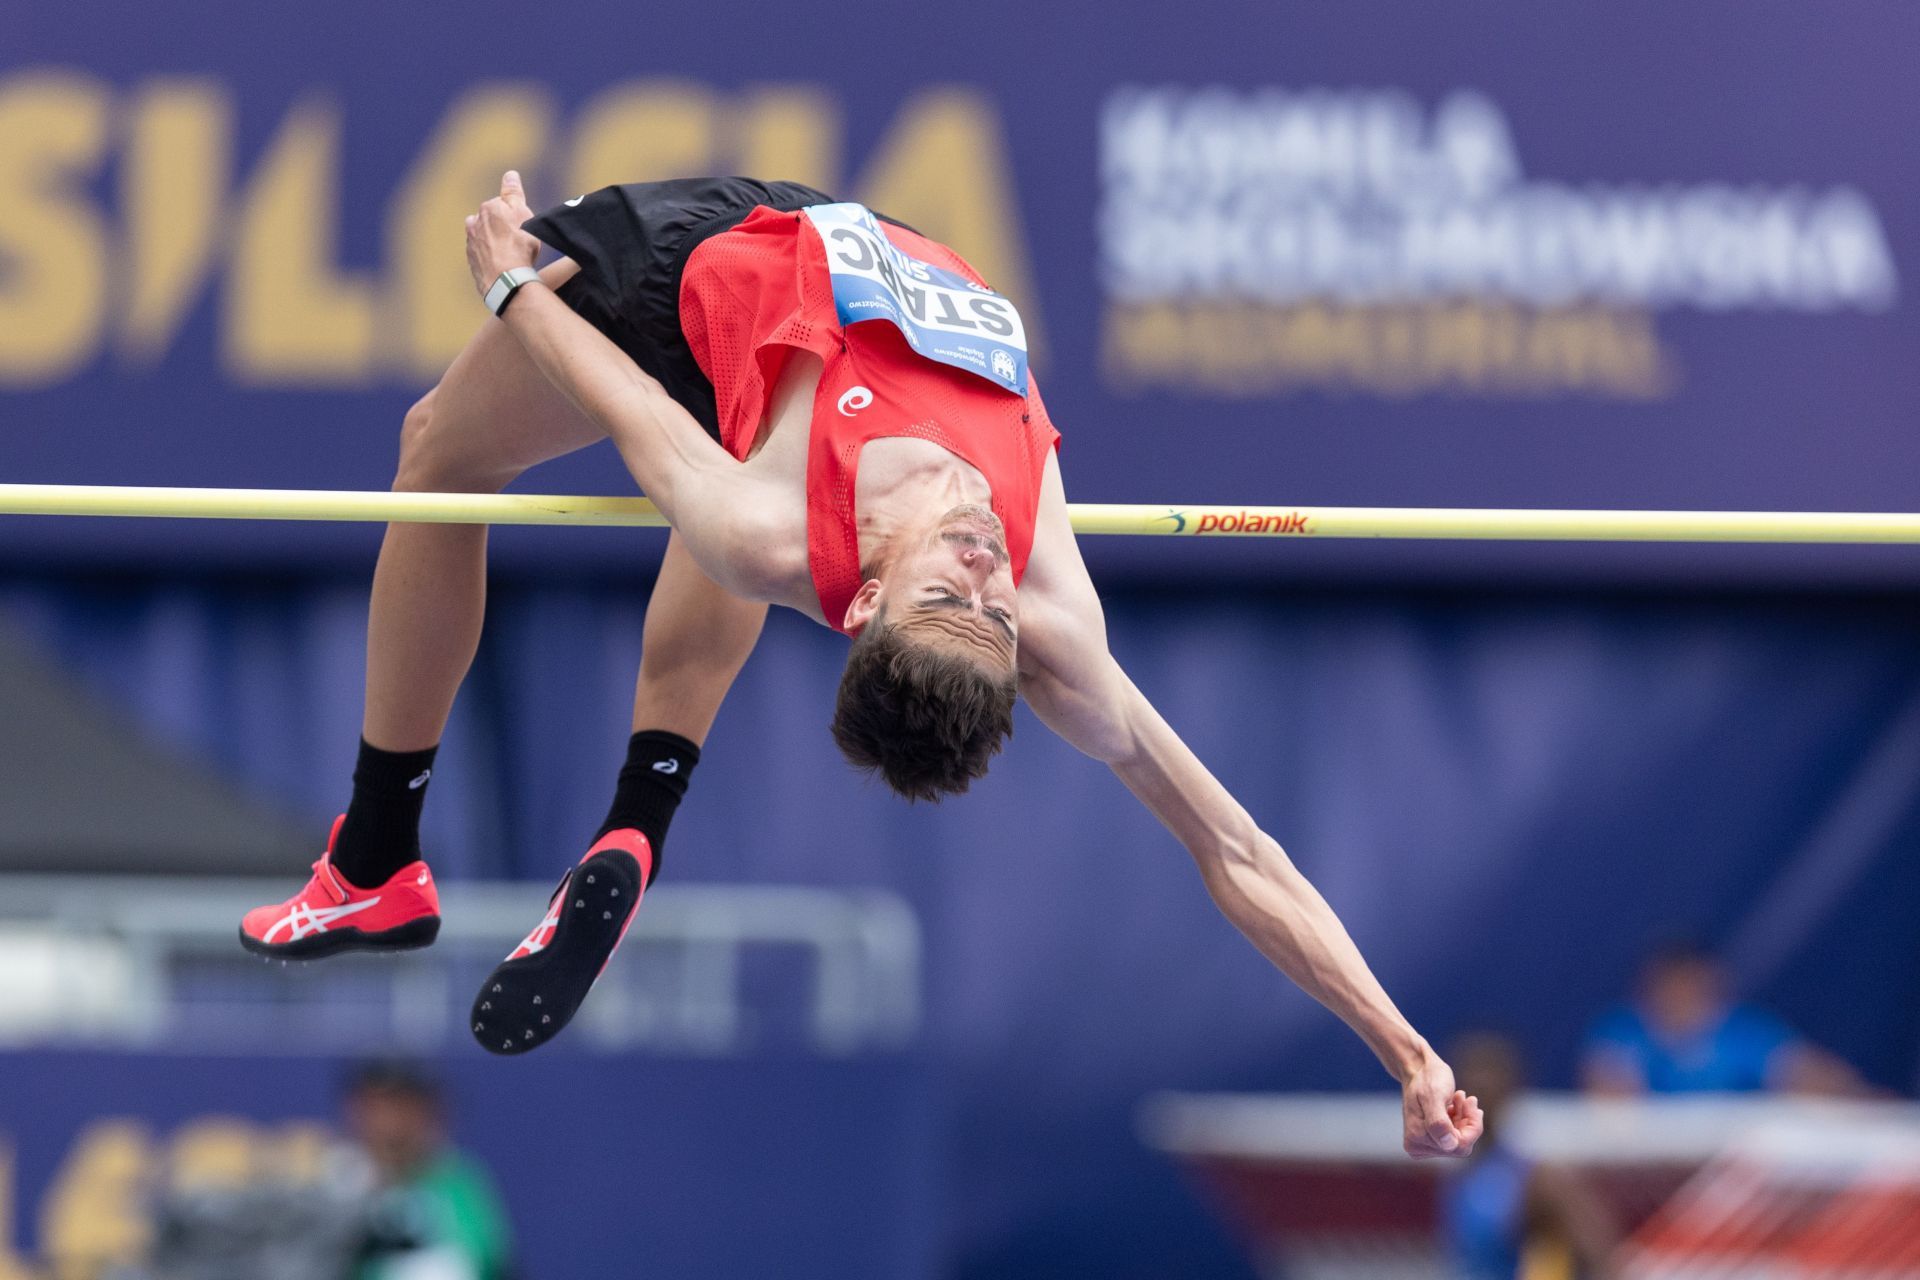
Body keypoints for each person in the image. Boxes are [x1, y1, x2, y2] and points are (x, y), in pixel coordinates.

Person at [241, 173, 1481, 1160]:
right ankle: (636, 820)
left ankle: (375, 856)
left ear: (875, 602)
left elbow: (634, 410)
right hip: (854, 244)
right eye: (994, 606)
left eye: (955, 588)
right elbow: (1237, 845)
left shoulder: (776, 529)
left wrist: (518, 292)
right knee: (735, 498)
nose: (991, 565)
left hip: (700, 270)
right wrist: (1407, 1047)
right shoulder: (1057, 623)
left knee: (448, 458)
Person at [1580, 941, 1865, 1095]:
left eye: (1691, 986)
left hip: (1734, 1168)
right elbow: (1609, 1108)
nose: (1681, 997)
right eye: (1671, 987)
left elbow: (1814, 1078)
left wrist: (1876, 1110)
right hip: (1641, 1170)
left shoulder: (1747, 1031)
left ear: (1713, 987)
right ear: (1649, 989)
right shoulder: (1621, 1030)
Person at [1442, 1034, 1618, 1279]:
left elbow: (1601, 1256)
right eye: (1470, 1077)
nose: (1479, 1086)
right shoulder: (1461, 1173)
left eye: (1490, 1076)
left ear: (1512, 1088)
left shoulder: (1538, 1178)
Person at [341, 1060, 516, 1280]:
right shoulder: (330, 1185)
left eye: (402, 1106)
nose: (391, 1123)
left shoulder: (459, 1184)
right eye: (376, 1107)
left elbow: (481, 1261)